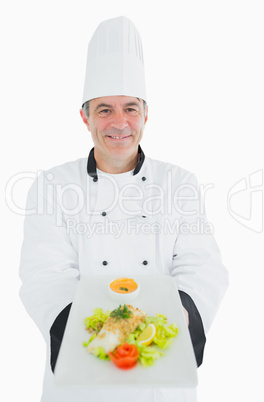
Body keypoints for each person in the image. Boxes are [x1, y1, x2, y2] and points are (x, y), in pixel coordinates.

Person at [19, 16, 228, 402]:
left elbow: (202, 266)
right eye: (104, 110)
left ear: (146, 114)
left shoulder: (179, 184)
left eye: (130, 108)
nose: (119, 123)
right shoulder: (52, 186)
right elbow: (43, 276)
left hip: (159, 375)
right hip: (80, 379)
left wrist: (179, 314)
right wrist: (95, 335)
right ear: (84, 117)